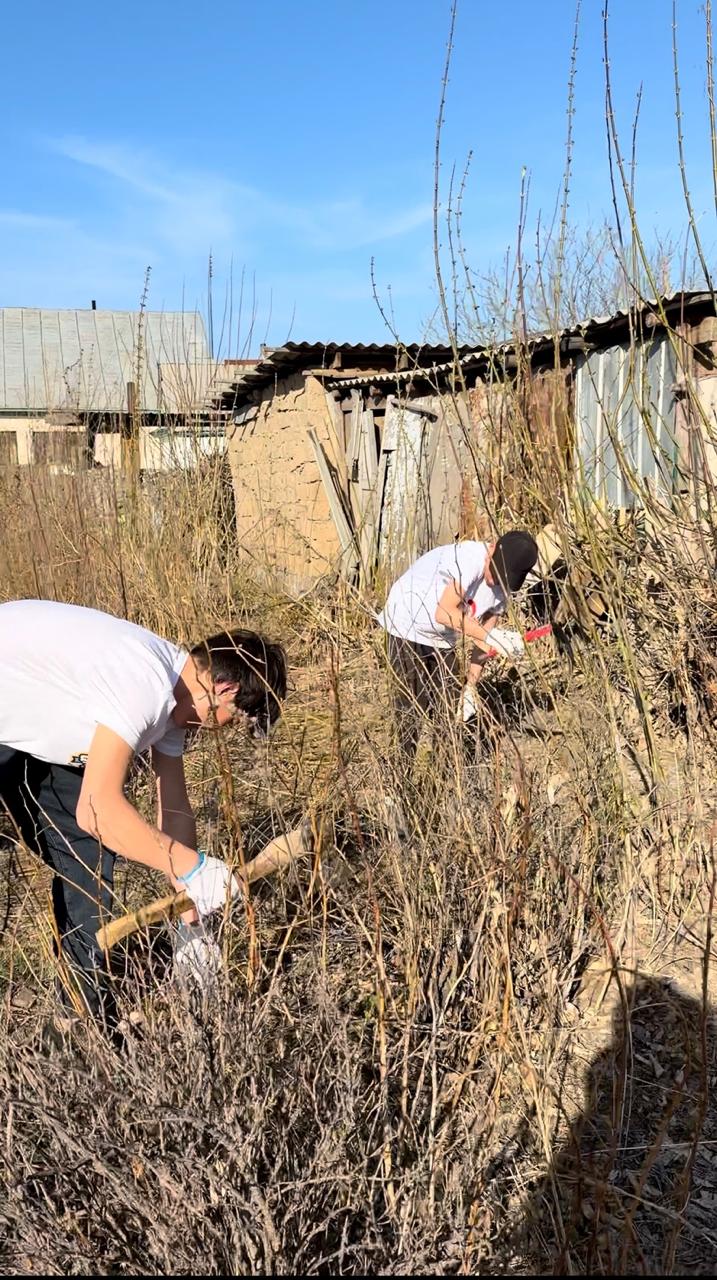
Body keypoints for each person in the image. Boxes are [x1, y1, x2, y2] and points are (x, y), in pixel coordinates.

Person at [0, 599, 286, 1025]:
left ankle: (80, 1019)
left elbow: (174, 809)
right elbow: (97, 811)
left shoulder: (173, 697)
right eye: (234, 720)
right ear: (225, 690)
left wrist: (191, 917)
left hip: (31, 720)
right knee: (94, 828)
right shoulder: (144, 685)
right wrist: (194, 867)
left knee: (88, 857)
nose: (223, 730)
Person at [377, 531, 538, 758]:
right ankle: (399, 775)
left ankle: (444, 774)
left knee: (450, 710)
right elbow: (444, 613)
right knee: (410, 709)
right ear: (492, 549)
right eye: (495, 572)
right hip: (406, 622)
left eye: (504, 578)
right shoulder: (468, 559)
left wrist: (470, 687)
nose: (495, 581)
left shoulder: (503, 589)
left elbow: (483, 640)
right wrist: (492, 637)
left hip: (442, 637)